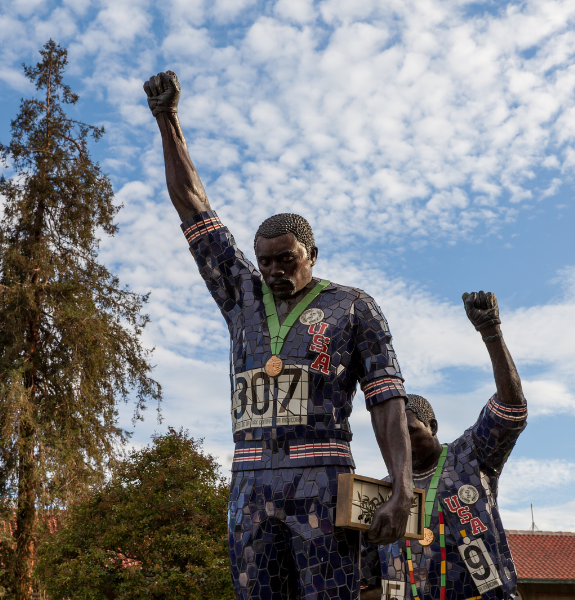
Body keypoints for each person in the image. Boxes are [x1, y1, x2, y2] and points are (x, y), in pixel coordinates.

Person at [143, 70, 414, 600]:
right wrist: (167, 118)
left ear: (311, 255)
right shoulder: (240, 294)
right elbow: (192, 204)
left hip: (322, 474)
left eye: (285, 259)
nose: (272, 270)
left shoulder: (354, 306)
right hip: (250, 478)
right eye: (264, 261)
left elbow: (387, 401)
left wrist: (401, 484)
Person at [376, 291, 527, 600]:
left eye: (412, 432)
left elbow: (510, 410)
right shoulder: (382, 491)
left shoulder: (469, 456)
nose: (404, 444)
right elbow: (364, 571)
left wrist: (491, 333)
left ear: (432, 427)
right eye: (396, 437)